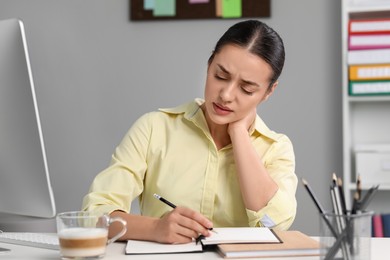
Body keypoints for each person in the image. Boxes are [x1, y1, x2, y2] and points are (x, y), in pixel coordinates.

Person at [82, 19, 297, 244]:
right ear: (209, 63)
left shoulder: (276, 148)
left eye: (247, 89)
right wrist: (155, 228)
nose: (226, 95)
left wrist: (239, 133)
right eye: (220, 76)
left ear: (268, 92)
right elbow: (93, 215)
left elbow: (276, 223)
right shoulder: (154, 128)